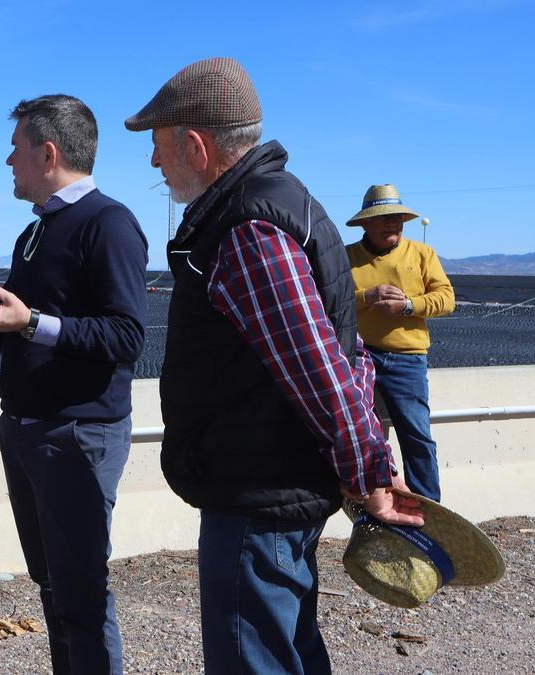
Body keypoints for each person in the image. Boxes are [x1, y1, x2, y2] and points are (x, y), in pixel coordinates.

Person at [124, 58, 425, 673]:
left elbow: (320, 368)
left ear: (196, 144)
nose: (154, 162)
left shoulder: (247, 227)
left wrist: (368, 469)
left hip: (257, 492)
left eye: (157, 143)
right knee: (288, 649)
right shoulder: (289, 204)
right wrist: (365, 457)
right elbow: (349, 352)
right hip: (277, 485)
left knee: (255, 657)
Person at [0, 94, 148, 674]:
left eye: (16, 150)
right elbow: (17, 335)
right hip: (28, 429)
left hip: (77, 433)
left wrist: (32, 322)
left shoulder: (109, 223)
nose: (8, 162)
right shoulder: (35, 233)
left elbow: (126, 336)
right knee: (53, 586)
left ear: (48, 152)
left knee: (81, 591)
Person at [346, 184, 455, 501]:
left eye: (397, 217)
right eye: (383, 217)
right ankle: (371, 505)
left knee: (417, 436)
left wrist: (408, 306)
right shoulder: (346, 257)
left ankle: (428, 510)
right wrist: (368, 296)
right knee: (358, 434)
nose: (392, 223)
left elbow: (446, 299)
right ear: (366, 223)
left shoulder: (422, 254)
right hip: (357, 355)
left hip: (407, 359)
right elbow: (327, 301)